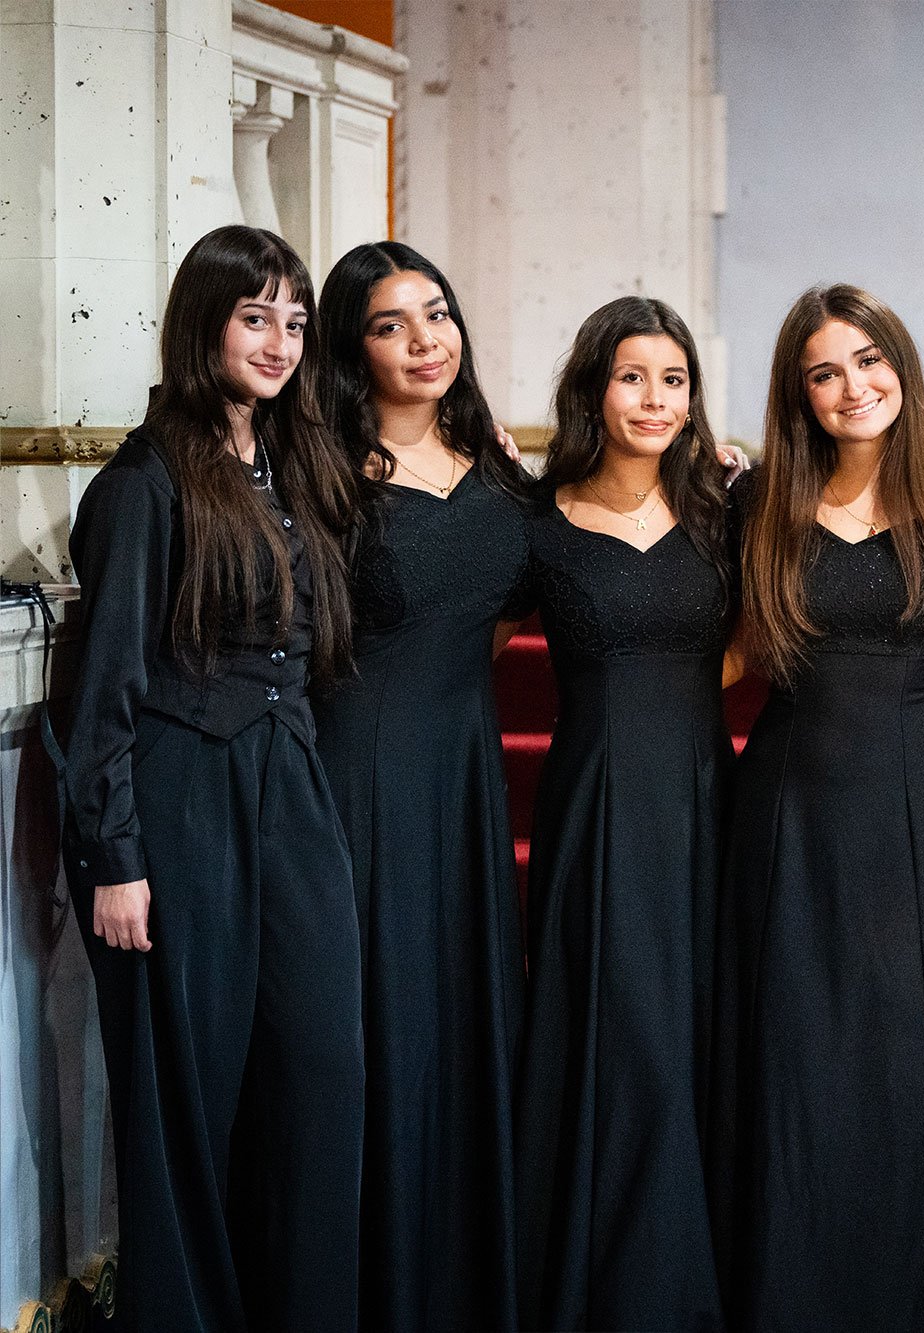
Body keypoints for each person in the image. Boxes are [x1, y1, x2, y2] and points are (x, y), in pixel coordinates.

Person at [61, 224, 364, 1331]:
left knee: (320, 1074)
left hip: (291, 791)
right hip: (182, 807)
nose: (280, 340)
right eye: (255, 316)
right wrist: (117, 858)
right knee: (186, 1099)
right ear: (207, 323)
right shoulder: (145, 482)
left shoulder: (292, 461)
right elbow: (103, 692)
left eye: (293, 319)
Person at [709, 283, 924, 1332]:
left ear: (902, 366)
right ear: (800, 392)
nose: (851, 386)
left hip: (916, 808)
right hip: (786, 807)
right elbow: (734, 660)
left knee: (908, 1054)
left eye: (868, 360)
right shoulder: (764, 505)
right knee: (798, 1061)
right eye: (823, 371)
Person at [313, 240, 534, 1331]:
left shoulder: (495, 468)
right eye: (391, 324)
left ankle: (457, 1287)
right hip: (363, 773)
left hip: (461, 777)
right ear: (354, 348)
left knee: (459, 1027)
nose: (423, 340)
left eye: (436, 313)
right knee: (383, 1031)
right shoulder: (324, 473)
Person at [511, 296, 738, 1331]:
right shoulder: (538, 523)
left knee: (693, 1031)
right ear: (593, 389)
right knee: (619, 1035)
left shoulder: (723, 512)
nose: (655, 399)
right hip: (594, 806)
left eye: (674, 379)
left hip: (705, 800)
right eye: (633, 376)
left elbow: (759, 642)